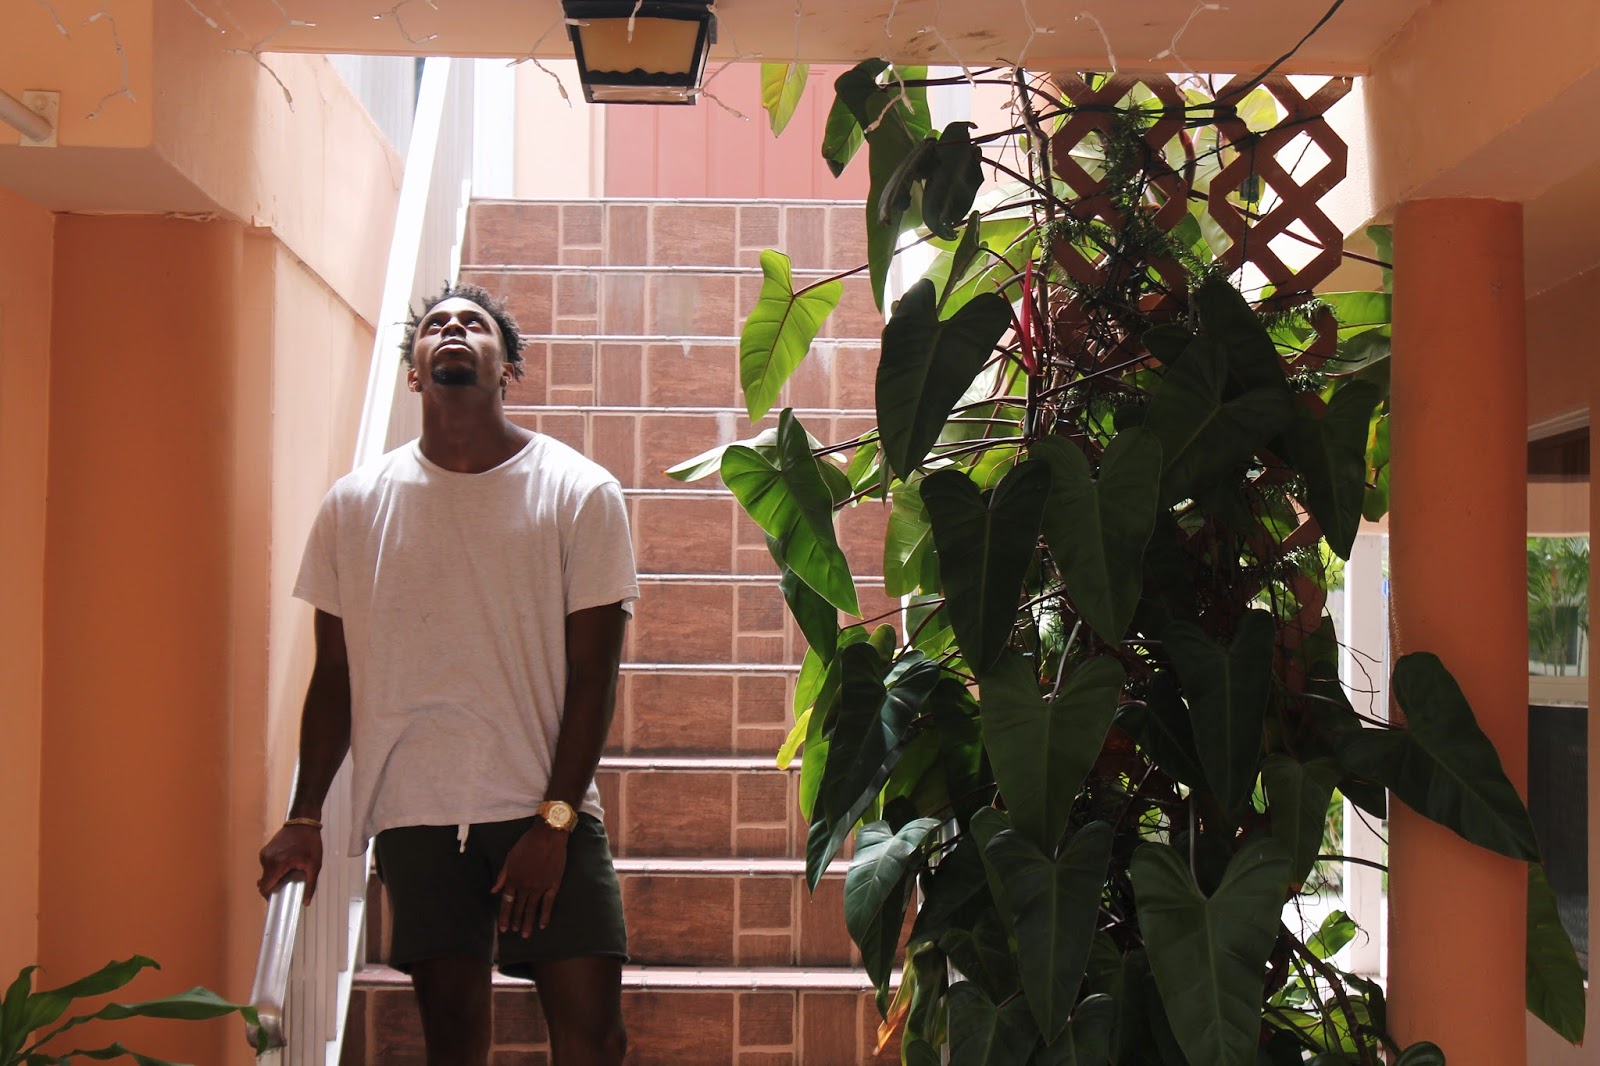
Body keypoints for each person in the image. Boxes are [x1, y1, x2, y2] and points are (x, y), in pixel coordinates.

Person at [257, 282, 637, 1066]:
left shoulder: (579, 489)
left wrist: (555, 820)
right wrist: (305, 817)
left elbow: (594, 673)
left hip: (543, 802)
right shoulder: (354, 505)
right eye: (436, 325)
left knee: (595, 1039)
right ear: (413, 371)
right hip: (417, 808)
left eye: (475, 324)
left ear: (507, 369)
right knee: (452, 1042)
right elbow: (335, 676)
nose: (454, 329)